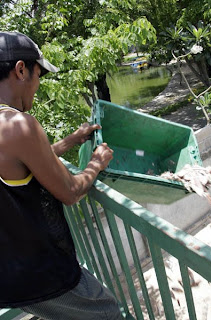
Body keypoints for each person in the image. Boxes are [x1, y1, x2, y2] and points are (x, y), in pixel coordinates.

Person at [0, 31, 122, 320]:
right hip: (41, 274)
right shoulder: (18, 125)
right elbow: (70, 191)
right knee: (107, 312)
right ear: (20, 69)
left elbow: (22, 163)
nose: (37, 86)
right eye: (38, 75)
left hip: (9, 272)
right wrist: (96, 163)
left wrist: (70, 140)